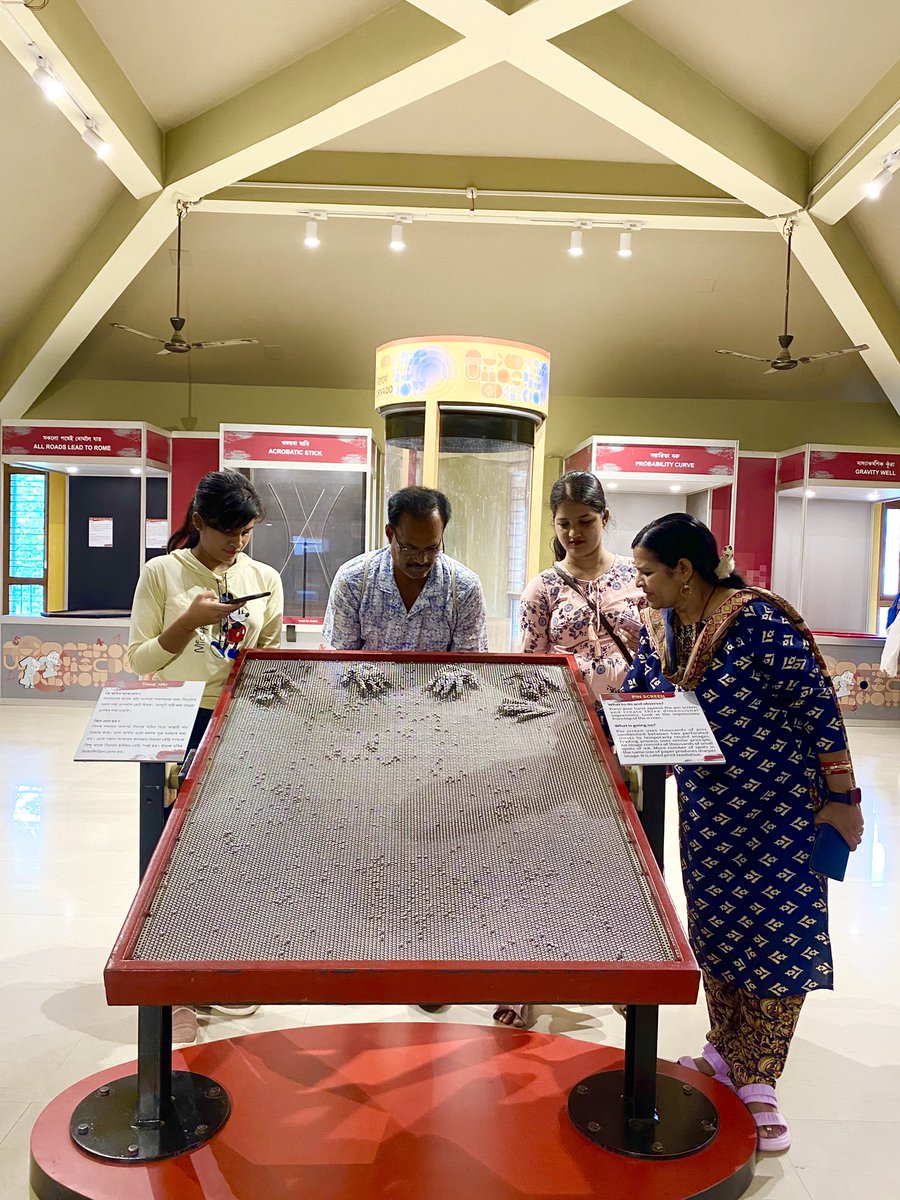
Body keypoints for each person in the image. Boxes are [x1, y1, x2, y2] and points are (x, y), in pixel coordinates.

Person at [622, 512, 863, 1153]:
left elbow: (819, 710)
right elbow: (638, 694)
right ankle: (725, 1049)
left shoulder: (759, 619)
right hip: (708, 815)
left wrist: (842, 797)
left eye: (647, 572)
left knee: (779, 938)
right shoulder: (665, 628)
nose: (639, 584)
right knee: (720, 930)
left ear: (684, 570)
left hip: (780, 816)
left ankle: (761, 1080)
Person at [129, 470, 284, 1042]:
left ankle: (220, 964)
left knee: (232, 849)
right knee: (170, 854)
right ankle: (174, 986)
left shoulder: (263, 576)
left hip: (239, 723)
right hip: (177, 719)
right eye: (226, 531)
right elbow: (141, 661)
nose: (237, 543)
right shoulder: (162, 573)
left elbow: (267, 657)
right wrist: (189, 621)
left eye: (246, 532)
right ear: (197, 522)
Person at [496, 471, 644, 1029]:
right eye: (564, 524)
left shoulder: (636, 576)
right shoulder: (543, 588)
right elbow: (529, 667)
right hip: (564, 734)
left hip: (633, 732)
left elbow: (656, 651)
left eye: (586, 521)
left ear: (605, 518)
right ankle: (527, 979)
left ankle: (627, 971)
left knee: (627, 856)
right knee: (544, 854)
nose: (575, 534)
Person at [323, 485, 488, 652]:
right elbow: (343, 663)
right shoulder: (353, 582)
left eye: (432, 548)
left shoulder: (464, 589)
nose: (421, 559)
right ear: (390, 534)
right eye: (410, 548)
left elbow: (468, 668)